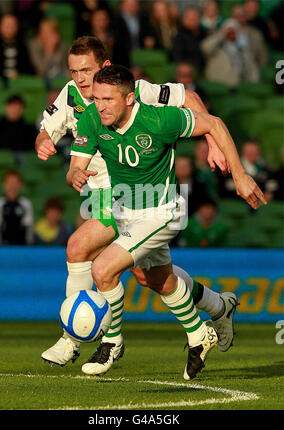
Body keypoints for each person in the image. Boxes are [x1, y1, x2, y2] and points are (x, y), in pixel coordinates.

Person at [35, 36, 236, 373]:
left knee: (80, 250)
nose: (80, 78)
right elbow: (47, 129)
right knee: (153, 278)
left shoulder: (135, 91)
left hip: (132, 192)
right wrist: (45, 143)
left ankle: (86, 339)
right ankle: (218, 307)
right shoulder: (69, 96)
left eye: (87, 70)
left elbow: (192, 98)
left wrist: (213, 142)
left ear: (106, 68)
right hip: (102, 192)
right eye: (73, 71)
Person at [66, 64, 266, 378]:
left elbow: (213, 123)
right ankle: (209, 322)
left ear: (129, 99)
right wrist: (75, 173)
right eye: (98, 97)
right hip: (126, 212)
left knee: (102, 269)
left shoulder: (159, 119)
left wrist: (240, 175)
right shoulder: (91, 117)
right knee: (158, 281)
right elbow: (76, 164)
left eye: (109, 99)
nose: (101, 105)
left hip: (162, 211)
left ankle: (112, 342)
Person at [0, 95, 37, 165]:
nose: (15, 110)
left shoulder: (29, 128)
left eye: (18, 108)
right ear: (7, 107)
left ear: (22, 109)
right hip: (2, 161)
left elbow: (32, 147)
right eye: (12, 107)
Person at [0, 170, 34, 245]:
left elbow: (29, 228)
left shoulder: (26, 203)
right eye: (9, 183)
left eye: (15, 183)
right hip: (3, 247)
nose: (12, 186)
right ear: (4, 185)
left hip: (22, 247)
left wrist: (28, 246)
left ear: (20, 185)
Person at [0, 14, 34, 81]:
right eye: (7, 26)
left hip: (19, 81)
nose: (10, 29)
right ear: (0, 27)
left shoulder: (22, 46)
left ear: (17, 28)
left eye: (12, 26)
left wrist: (18, 74)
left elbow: (28, 68)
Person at [28, 18, 68, 83]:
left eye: (51, 32)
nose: (47, 35)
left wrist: (56, 48)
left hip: (60, 79)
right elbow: (41, 71)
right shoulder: (34, 46)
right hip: (43, 80)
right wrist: (49, 51)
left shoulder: (61, 46)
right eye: (44, 32)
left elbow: (64, 68)